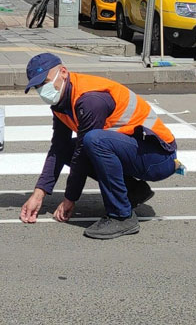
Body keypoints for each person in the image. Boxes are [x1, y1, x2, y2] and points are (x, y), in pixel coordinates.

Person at [18, 53, 182, 239]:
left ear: (63, 72)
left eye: (45, 83)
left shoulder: (89, 100)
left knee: (93, 141)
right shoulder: (61, 101)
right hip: (137, 151)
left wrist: (70, 198)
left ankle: (121, 216)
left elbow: (83, 153)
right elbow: (59, 148)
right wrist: (39, 193)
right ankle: (133, 191)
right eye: (37, 87)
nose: (42, 90)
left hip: (158, 157)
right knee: (71, 148)